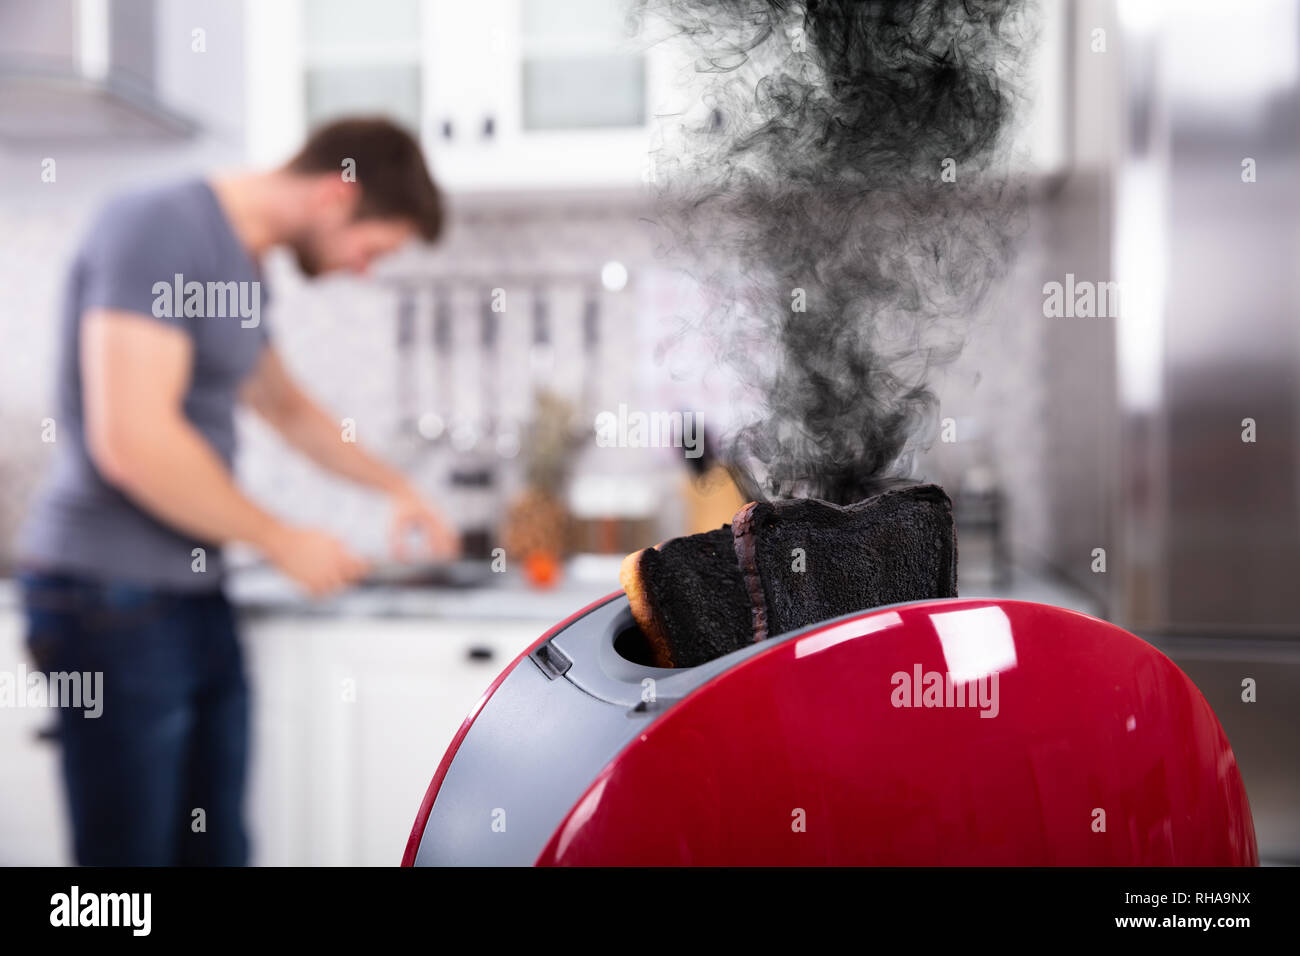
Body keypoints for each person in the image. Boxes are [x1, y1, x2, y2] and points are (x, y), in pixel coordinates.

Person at [15, 117, 458, 866]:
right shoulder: (157, 224)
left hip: (188, 596)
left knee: (215, 851)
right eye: (371, 248)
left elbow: (283, 405)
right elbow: (132, 442)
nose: (361, 269)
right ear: (336, 192)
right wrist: (281, 538)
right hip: (107, 599)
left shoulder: (238, 261)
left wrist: (397, 488)